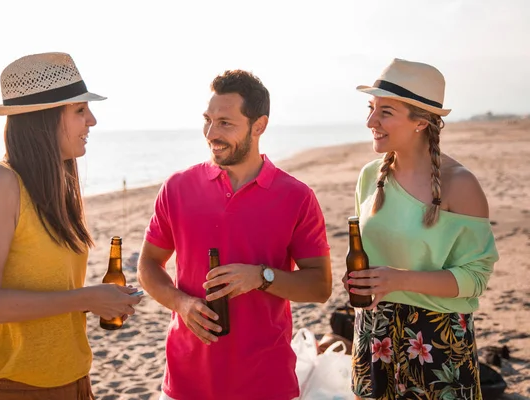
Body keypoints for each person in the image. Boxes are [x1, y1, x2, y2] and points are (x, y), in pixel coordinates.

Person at [137, 70, 332, 400]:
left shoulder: (296, 197)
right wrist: (181, 304)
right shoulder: (177, 187)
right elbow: (148, 266)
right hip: (184, 385)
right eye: (208, 120)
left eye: (225, 123)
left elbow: (320, 287)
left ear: (259, 126)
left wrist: (260, 277)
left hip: (266, 384)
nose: (211, 133)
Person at [0, 52, 142, 400]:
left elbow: (48, 286)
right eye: (79, 110)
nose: (92, 120)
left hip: (75, 383)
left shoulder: (57, 185)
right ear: (44, 118)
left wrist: (100, 300)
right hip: (11, 389)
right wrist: (86, 297)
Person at [344, 58, 499, 399]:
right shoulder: (370, 176)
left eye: (385, 112)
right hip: (374, 332)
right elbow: (367, 256)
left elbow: (475, 278)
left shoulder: (460, 184)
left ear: (420, 122)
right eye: (371, 108)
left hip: (436, 340)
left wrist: (398, 280)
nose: (370, 121)